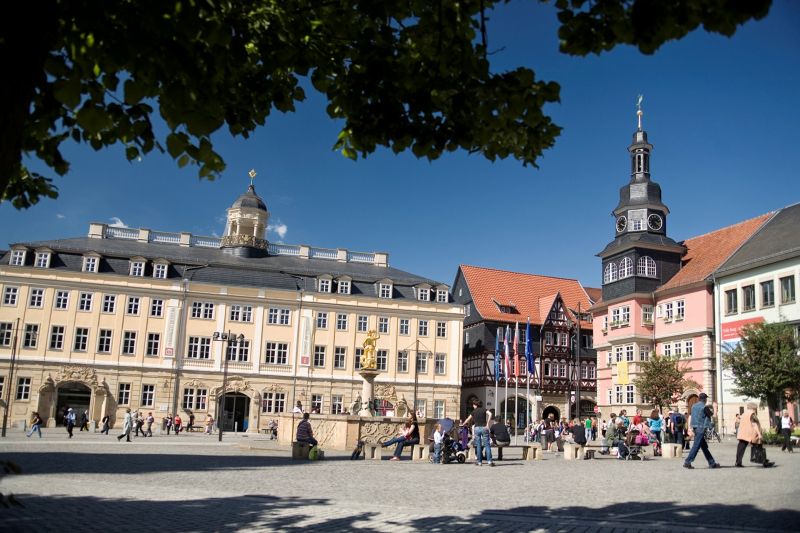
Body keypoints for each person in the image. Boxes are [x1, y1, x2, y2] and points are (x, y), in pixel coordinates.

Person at [684, 393, 721, 469]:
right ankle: (687, 462)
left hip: (695, 427)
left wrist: (690, 428)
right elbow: (713, 416)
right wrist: (715, 408)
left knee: (704, 447)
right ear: (704, 399)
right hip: (701, 428)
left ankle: (712, 463)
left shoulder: (693, 406)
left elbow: (690, 416)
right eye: (706, 399)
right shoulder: (704, 407)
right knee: (696, 446)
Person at [735, 402, 774, 468]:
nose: (756, 410)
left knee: (740, 448)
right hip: (750, 434)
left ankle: (738, 462)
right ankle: (764, 462)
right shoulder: (752, 414)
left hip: (742, 433)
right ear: (754, 408)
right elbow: (754, 424)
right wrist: (759, 434)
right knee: (759, 446)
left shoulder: (744, 414)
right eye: (756, 408)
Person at [462, 399, 494, 466]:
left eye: (473, 405)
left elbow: (468, 419)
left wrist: (463, 424)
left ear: (476, 405)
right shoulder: (484, 409)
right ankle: (489, 461)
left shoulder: (474, 411)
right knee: (487, 445)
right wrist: (488, 423)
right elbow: (490, 414)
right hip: (484, 428)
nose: (473, 406)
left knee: (478, 446)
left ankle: (479, 462)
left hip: (476, 428)